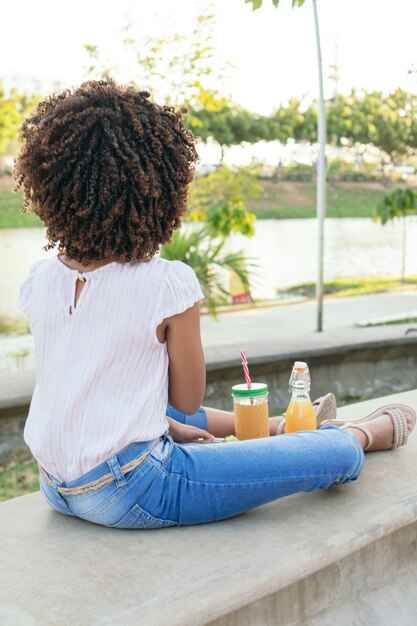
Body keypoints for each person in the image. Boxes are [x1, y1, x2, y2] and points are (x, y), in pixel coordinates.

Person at [15, 79, 415, 529]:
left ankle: (276, 425)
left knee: (133, 390)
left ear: (50, 186)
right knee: (323, 456)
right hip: (133, 489)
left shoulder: (40, 278)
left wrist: (167, 425)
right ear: (158, 190)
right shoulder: (167, 282)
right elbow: (185, 400)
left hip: (55, 483)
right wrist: (172, 421)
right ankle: (359, 435)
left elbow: (80, 387)